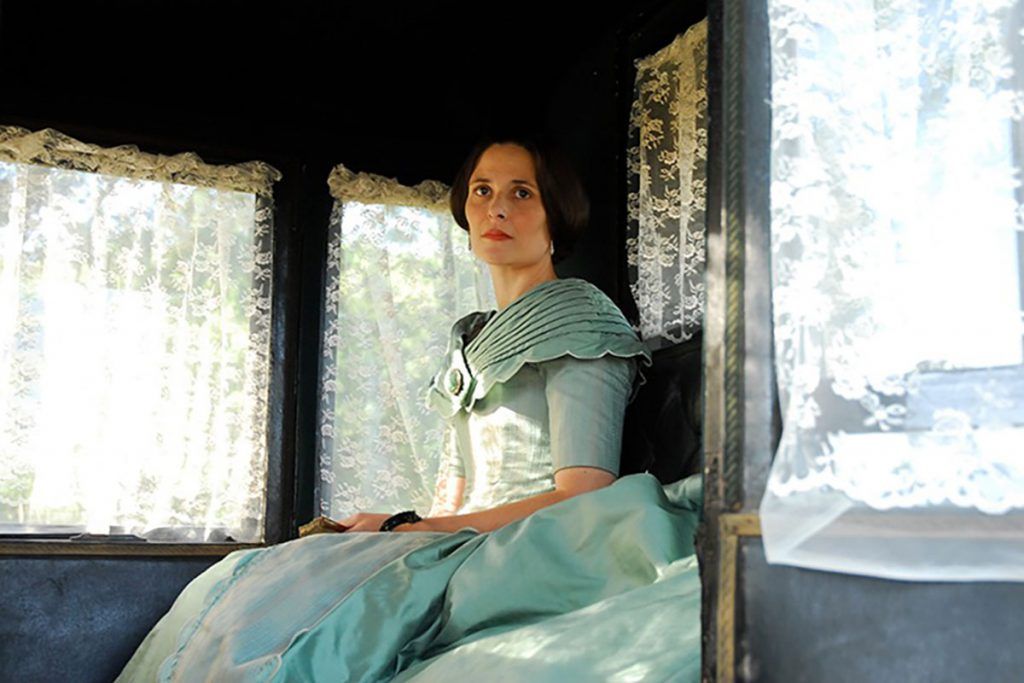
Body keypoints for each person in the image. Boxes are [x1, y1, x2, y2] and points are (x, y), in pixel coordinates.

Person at [116, 133, 702, 682]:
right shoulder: (470, 335)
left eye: (522, 193)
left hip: (539, 542)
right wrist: (400, 527)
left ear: (558, 214)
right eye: (482, 191)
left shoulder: (578, 316)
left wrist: (411, 529)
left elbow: (583, 495)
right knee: (247, 581)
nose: (497, 209)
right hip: (466, 538)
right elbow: (454, 497)